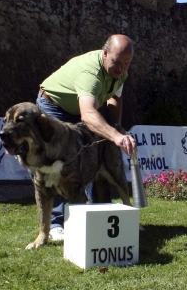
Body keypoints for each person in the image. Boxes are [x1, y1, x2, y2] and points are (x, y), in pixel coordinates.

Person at [37, 34, 138, 240]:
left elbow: (115, 98)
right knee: (59, 162)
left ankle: (96, 212)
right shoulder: (89, 73)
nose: (121, 69)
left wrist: (116, 126)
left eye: (126, 64)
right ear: (105, 53)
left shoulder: (121, 71)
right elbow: (89, 115)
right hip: (55, 106)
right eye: (117, 63)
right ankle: (56, 224)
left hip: (80, 108)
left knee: (90, 156)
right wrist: (116, 137)